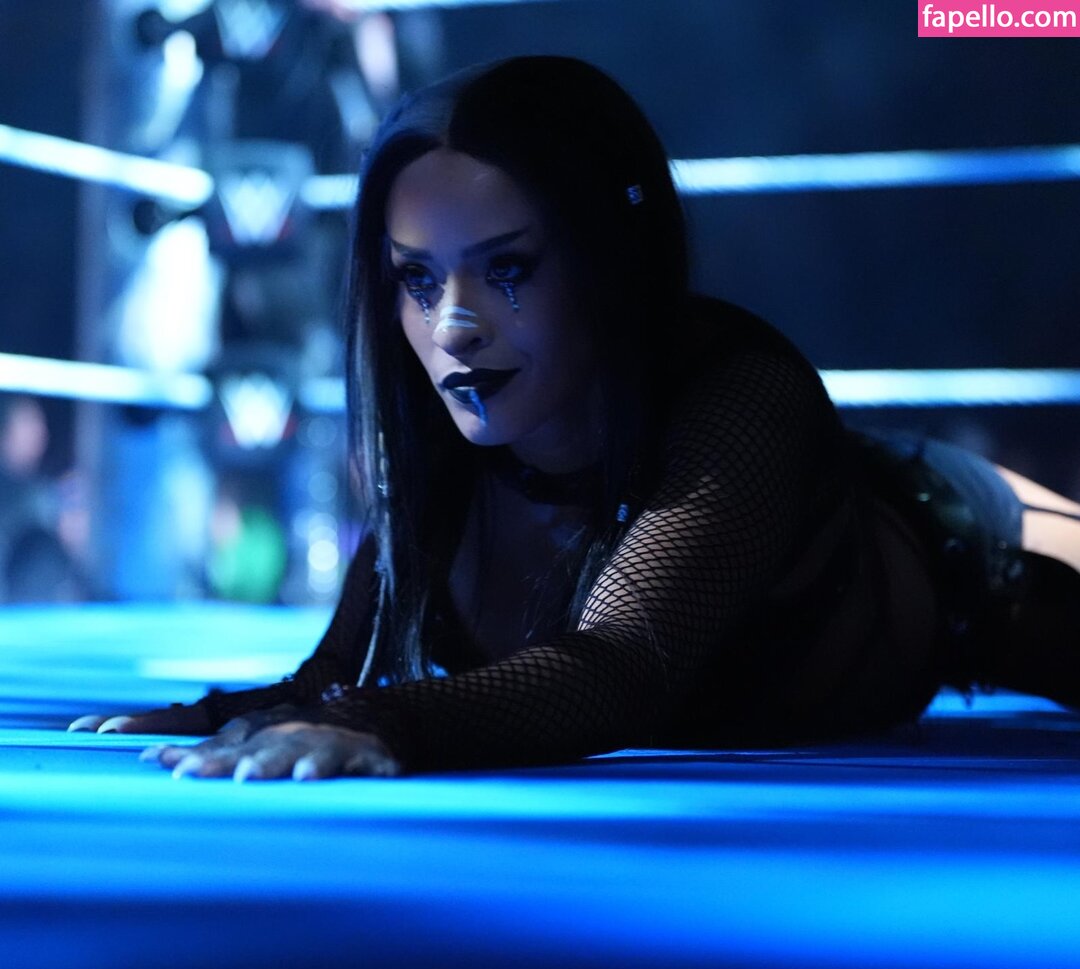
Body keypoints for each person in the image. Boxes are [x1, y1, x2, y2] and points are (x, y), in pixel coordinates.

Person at [71, 55, 1080, 780]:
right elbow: (340, 670)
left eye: (509, 268)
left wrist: (394, 724)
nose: (453, 325)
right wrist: (240, 713)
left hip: (969, 550)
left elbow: (623, 664)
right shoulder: (441, 437)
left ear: (608, 263)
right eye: (417, 278)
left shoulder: (741, 399)